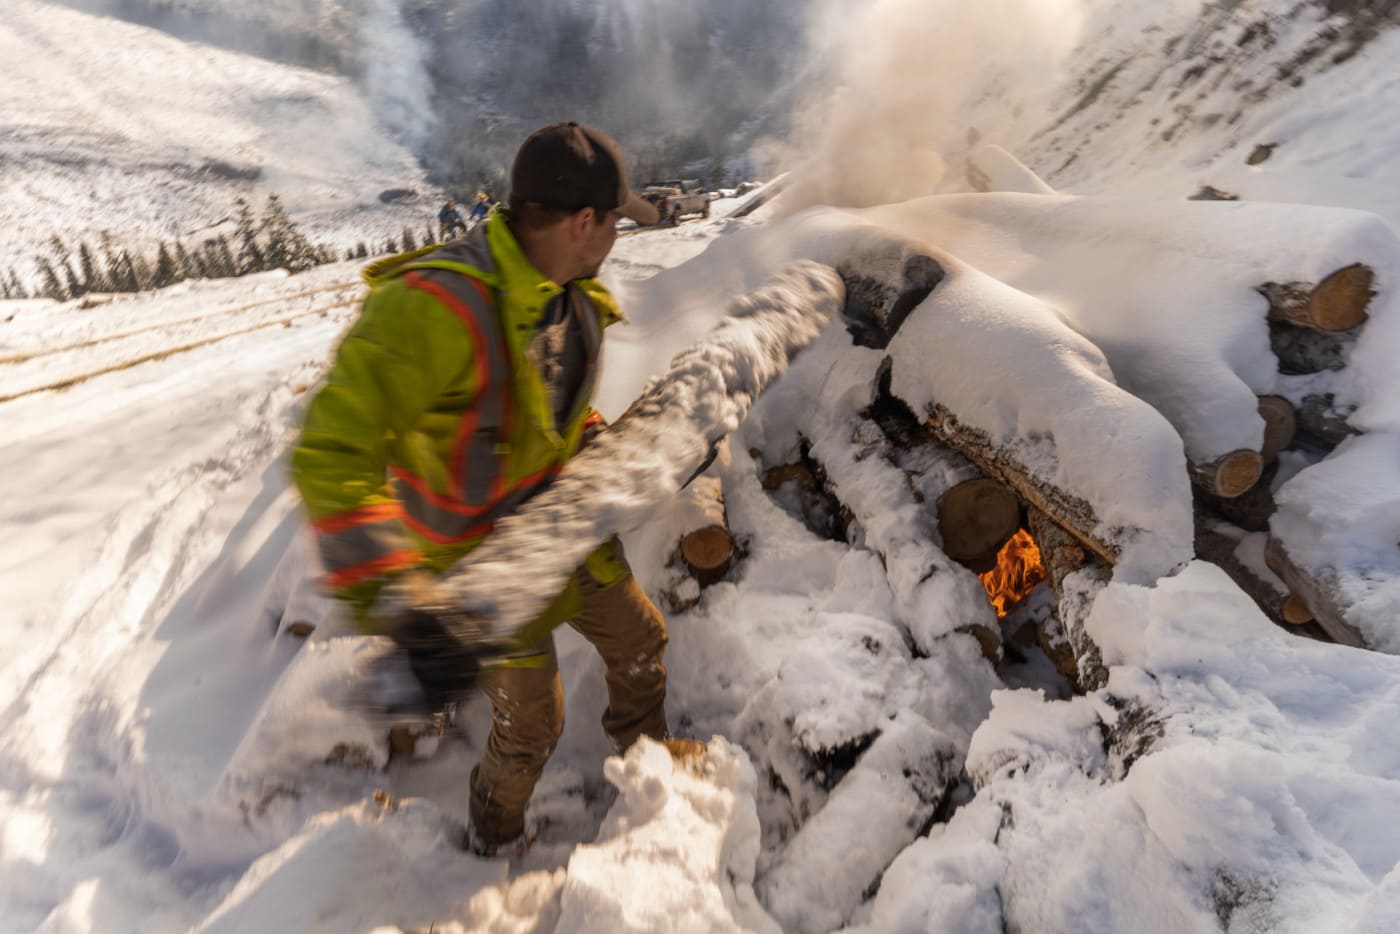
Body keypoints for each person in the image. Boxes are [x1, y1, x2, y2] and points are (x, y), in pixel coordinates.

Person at [292, 122, 702, 857]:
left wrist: (601, 441)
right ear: (585, 222)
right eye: (615, 219)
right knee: (533, 723)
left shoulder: (570, 295)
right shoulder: (431, 306)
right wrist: (403, 604)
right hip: (475, 571)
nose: (618, 234)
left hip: (563, 534)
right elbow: (332, 456)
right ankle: (492, 840)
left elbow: (543, 411)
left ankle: (650, 780)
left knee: (641, 643)